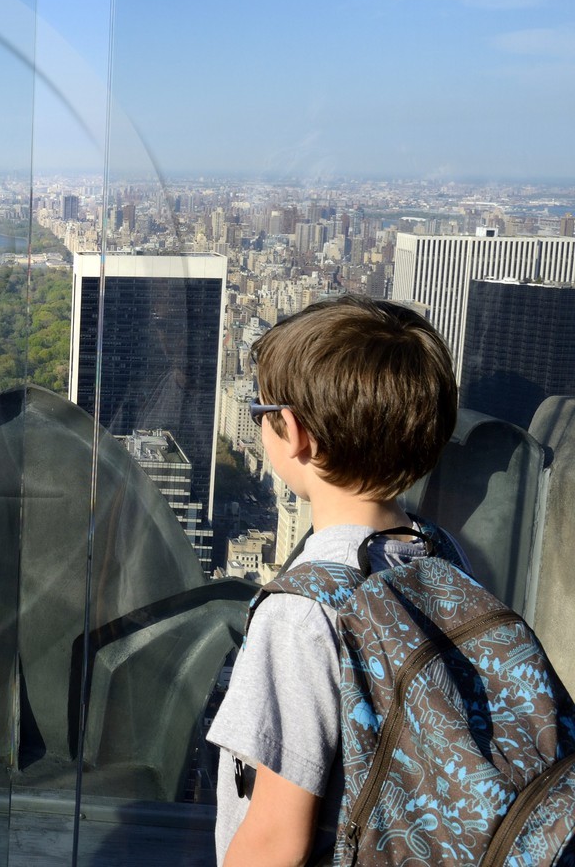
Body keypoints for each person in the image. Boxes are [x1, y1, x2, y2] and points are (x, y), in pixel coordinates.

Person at [207, 294, 460, 867]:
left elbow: (276, 839)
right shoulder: (440, 553)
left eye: (259, 409)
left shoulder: (302, 612)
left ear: (294, 432)